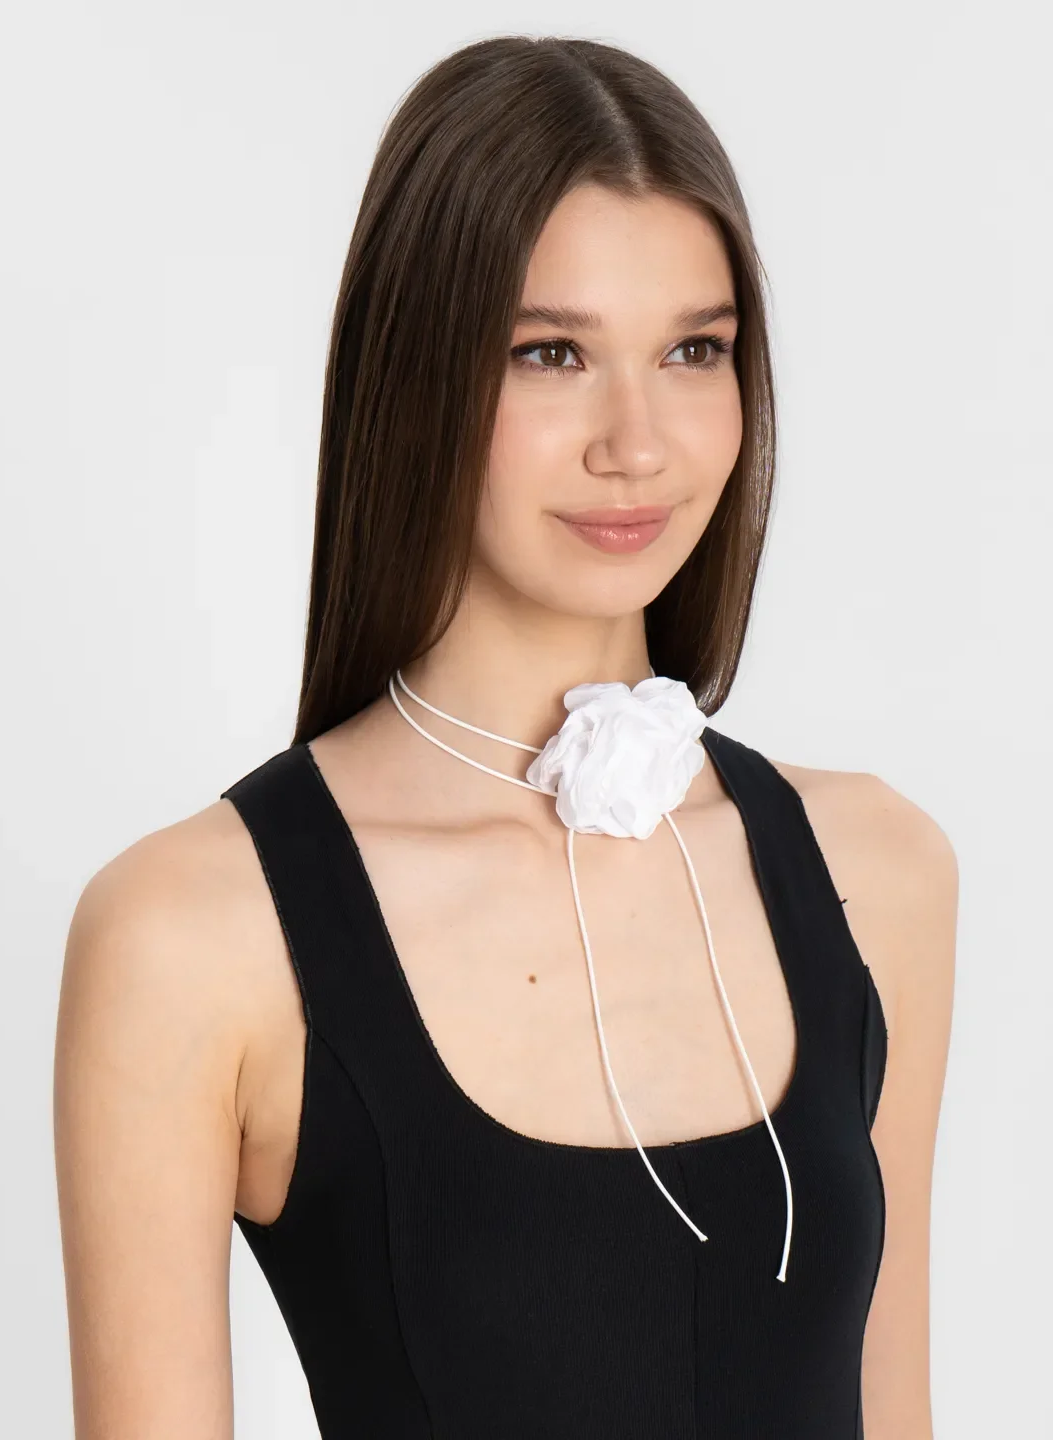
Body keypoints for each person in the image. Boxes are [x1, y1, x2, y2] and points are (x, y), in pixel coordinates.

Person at [54, 33, 957, 1440]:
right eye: (551, 354)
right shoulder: (191, 934)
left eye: (695, 350)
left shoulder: (878, 872)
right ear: (415, 375)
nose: (637, 443)